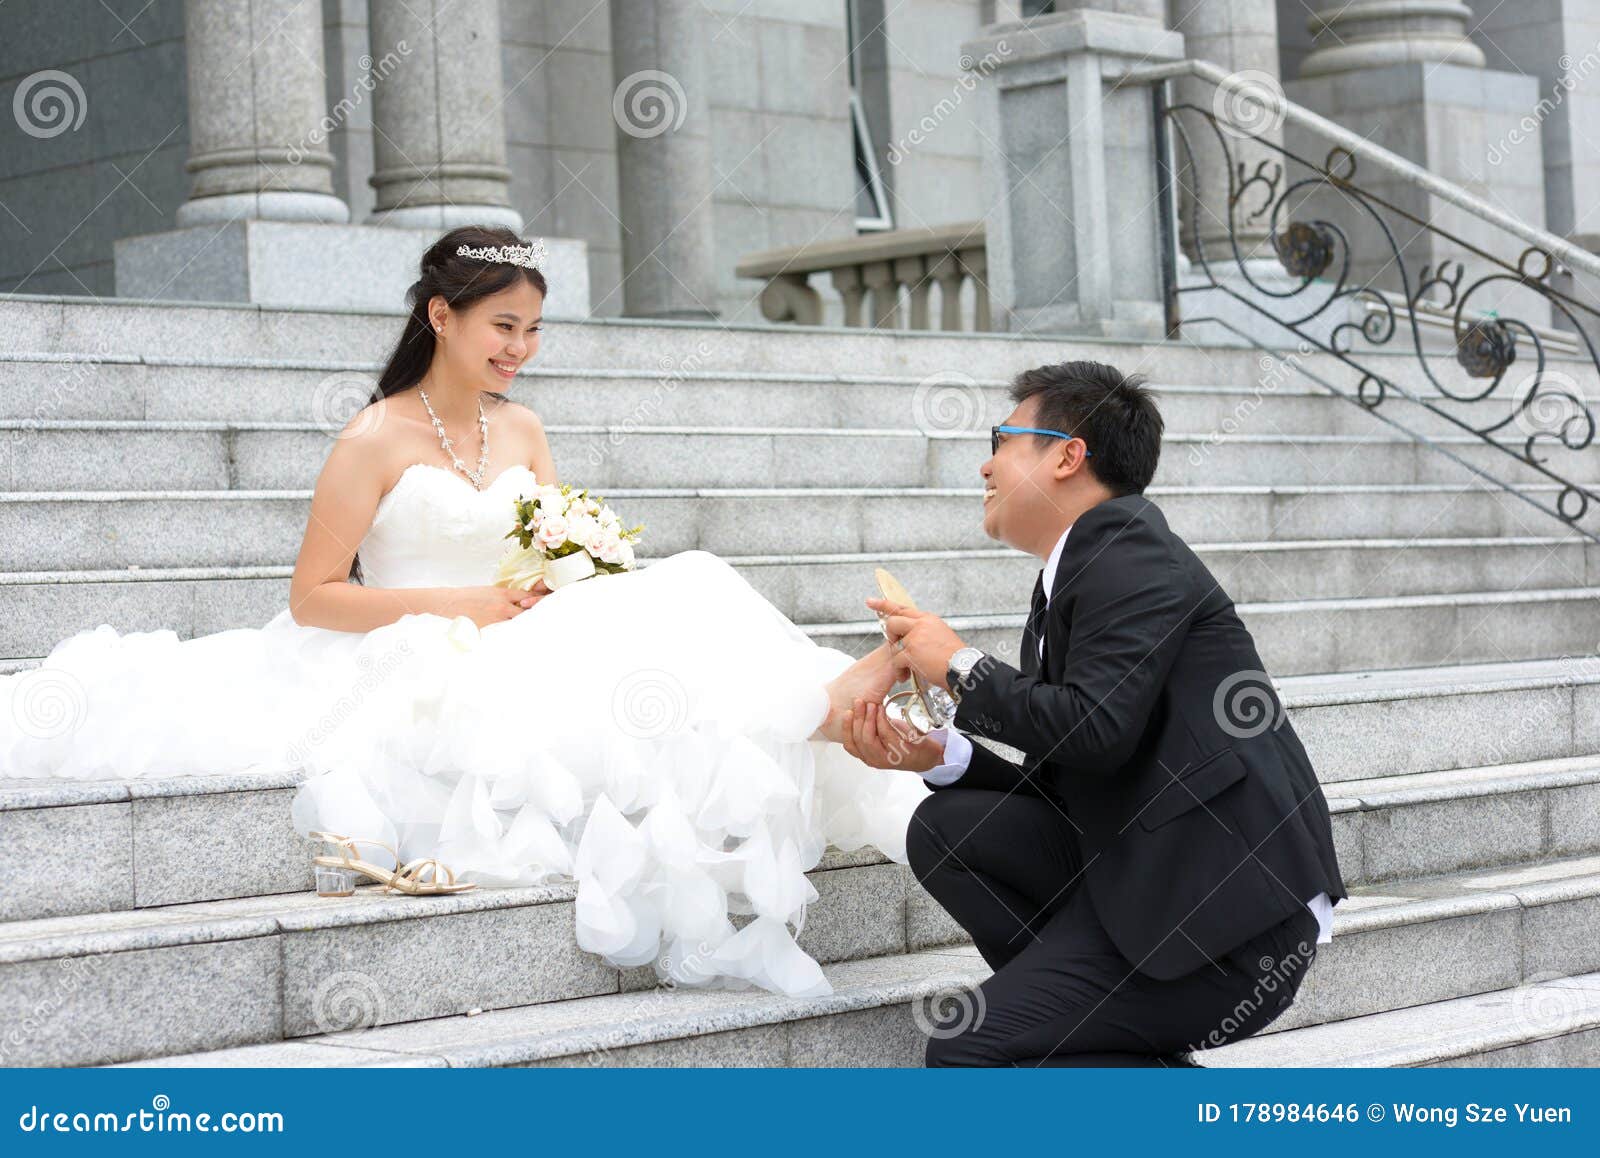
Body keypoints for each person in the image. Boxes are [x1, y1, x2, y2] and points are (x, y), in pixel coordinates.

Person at [0, 224, 930, 1000]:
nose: (518, 348)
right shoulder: (371, 437)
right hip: (412, 648)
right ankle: (830, 698)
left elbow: (560, 543)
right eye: (502, 325)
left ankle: (824, 701)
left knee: (684, 583)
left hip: (522, 629)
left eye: (531, 329)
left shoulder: (521, 426)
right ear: (440, 316)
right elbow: (314, 596)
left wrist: (574, 578)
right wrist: (471, 605)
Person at [844, 360, 1347, 1066]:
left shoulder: (1127, 547)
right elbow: (1074, 777)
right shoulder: (1074, 575)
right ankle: (1098, 1037)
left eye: (1003, 440)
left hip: (1229, 922)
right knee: (949, 827)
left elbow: (1096, 729)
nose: (985, 466)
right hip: (1151, 885)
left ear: (1068, 455)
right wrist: (944, 757)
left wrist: (959, 664)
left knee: (967, 1048)